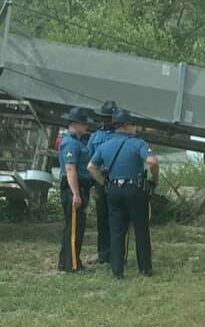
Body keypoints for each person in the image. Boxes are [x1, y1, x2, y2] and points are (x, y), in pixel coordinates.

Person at [87, 109, 159, 278]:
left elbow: (91, 167)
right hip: (135, 189)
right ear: (126, 126)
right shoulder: (138, 143)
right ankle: (145, 269)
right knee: (141, 229)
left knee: (117, 231)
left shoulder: (105, 145)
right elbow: (152, 161)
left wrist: (104, 182)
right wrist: (154, 179)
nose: (135, 127)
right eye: (133, 124)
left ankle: (117, 270)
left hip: (113, 190)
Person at [57, 107, 93, 273]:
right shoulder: (70, 143)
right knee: (74, 228)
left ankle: (66, 261)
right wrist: (76, 194)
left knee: (75, 226)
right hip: (73, 187)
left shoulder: (79, 141)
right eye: (84, 123)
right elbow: (70, 169)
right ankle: (72, 265)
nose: (86, 126)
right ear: (75, 124)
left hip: (79, 186)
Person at [87, 100, 118, 264]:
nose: (107, 120)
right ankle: (104, 253)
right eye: (105, 117)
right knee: (102, 217)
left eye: (110, 117)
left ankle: (118, 253)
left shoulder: (122, 135)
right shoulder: (96, 136)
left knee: (118, 217)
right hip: (101, 178)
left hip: (117, 177)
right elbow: (90, 158)